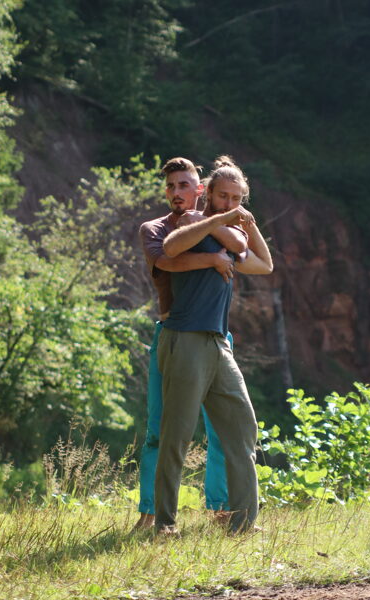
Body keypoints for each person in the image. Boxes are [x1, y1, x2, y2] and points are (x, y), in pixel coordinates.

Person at [155, 156, 273, 535]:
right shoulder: (192, 220)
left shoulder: (230, 230)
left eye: (237, 199)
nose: (229, 203)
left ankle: (244, 523)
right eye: (223, 196)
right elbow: (171, 247)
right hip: (185, 338)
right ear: (208, 193)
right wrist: (222, 223)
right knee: (177, 435)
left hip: (219, 343)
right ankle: (165, 523)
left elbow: (264, 265)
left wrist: (248, 224)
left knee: (242, 429)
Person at [136, 157, 247, 529]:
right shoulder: (155, 228)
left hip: (216, 335)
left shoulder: (217, 223)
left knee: (225, 432)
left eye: (184, 185)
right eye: (171, 186)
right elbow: (168, 262)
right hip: (174, 334)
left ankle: (223, 511)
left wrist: (227, 226)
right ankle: (152, 514)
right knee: (161, 431)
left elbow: (247, 253)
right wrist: (212, 258)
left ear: (201, 190)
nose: (176, 192)